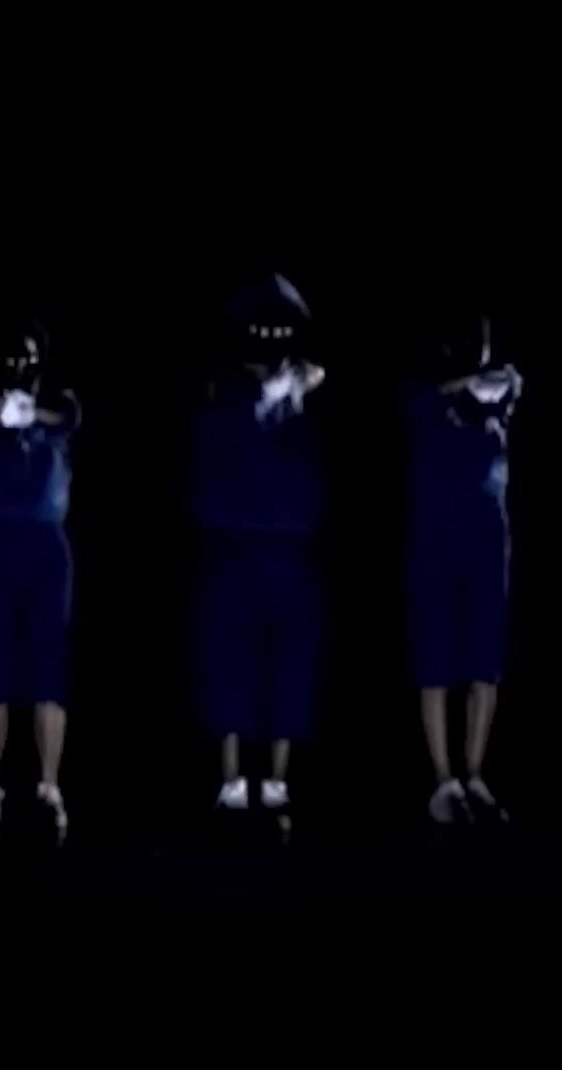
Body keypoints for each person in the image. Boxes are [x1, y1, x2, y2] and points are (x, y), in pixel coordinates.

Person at [190, 273, 327, 821]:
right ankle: (230, 780)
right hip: (232, 546)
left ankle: (276, 780)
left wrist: (296, 399)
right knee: (229, 662)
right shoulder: (220, 392)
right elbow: (211, 459)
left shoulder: (306, 393)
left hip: (290, 548)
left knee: (289, 663)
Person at [401, 309, 522, 824]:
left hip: (487, 544)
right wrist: (461, 388)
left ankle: (475, 775)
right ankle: (443, 779)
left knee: (484, 662)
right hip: (435, 545)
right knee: (436, 661)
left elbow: (510, 389)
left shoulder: (498, 390)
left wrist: (494, 385)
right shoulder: (420, 397)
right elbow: (423, 406)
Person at [0, 318, 78, 837]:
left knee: (49, 670)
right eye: (10, 358)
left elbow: (69, 418)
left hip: (47, 548)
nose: (18, 367)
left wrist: (31, 411)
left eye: (27, 358)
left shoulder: (59, 405)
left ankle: (49, 788)